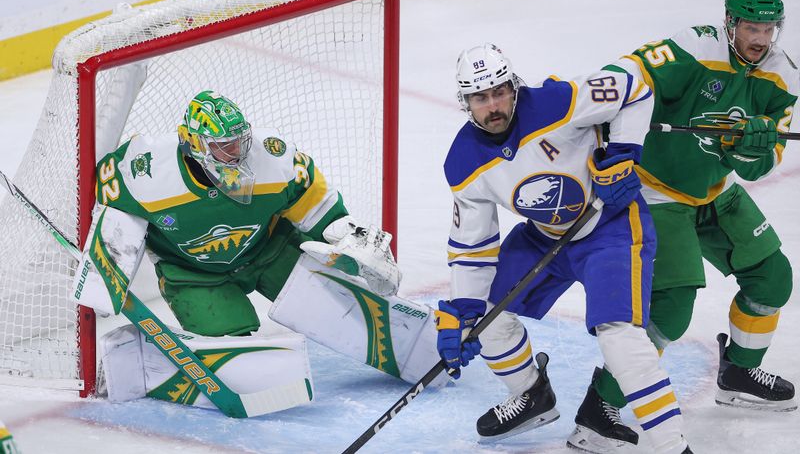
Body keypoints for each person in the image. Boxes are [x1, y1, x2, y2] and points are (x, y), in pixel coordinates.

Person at [72, 90, 443, 413]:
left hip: (269, 251)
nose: (235, 152)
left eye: (238, 141)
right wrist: (107, 268)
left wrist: (353, 245)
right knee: (244, 365)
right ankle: (136, 363)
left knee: (336, 304)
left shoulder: (275, 159)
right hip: (195, 276)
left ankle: (422, 346)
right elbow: (111, 206)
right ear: (192, 144)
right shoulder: (147, 173)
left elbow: (318, 210)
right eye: (222, 145)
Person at [568, 0, 798, 452]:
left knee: (773, 277)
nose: (759, 38)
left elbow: (761, 164)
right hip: (656, 192)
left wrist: (750, 150)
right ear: (730, 22)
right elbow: (627, 72)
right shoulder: (694, 47)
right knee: (670, 310)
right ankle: (598, 409)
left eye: (768, 28)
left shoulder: (781, 77)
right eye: (750, 26)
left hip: (715, 189)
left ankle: (736, 373)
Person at [437, 44, 692, 453]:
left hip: (607, 226)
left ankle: (672, 446)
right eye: (481, 98)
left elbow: (636, 88)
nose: (494, 105)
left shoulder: (559, 102)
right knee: (485, 317)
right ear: (466, 102)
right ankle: (532, 394)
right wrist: (464, 313)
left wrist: (624, 153)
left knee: (619, 337)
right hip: (544, 235)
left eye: (500, 92)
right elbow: (473, 246)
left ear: (514, 87)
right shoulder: (463, 161)